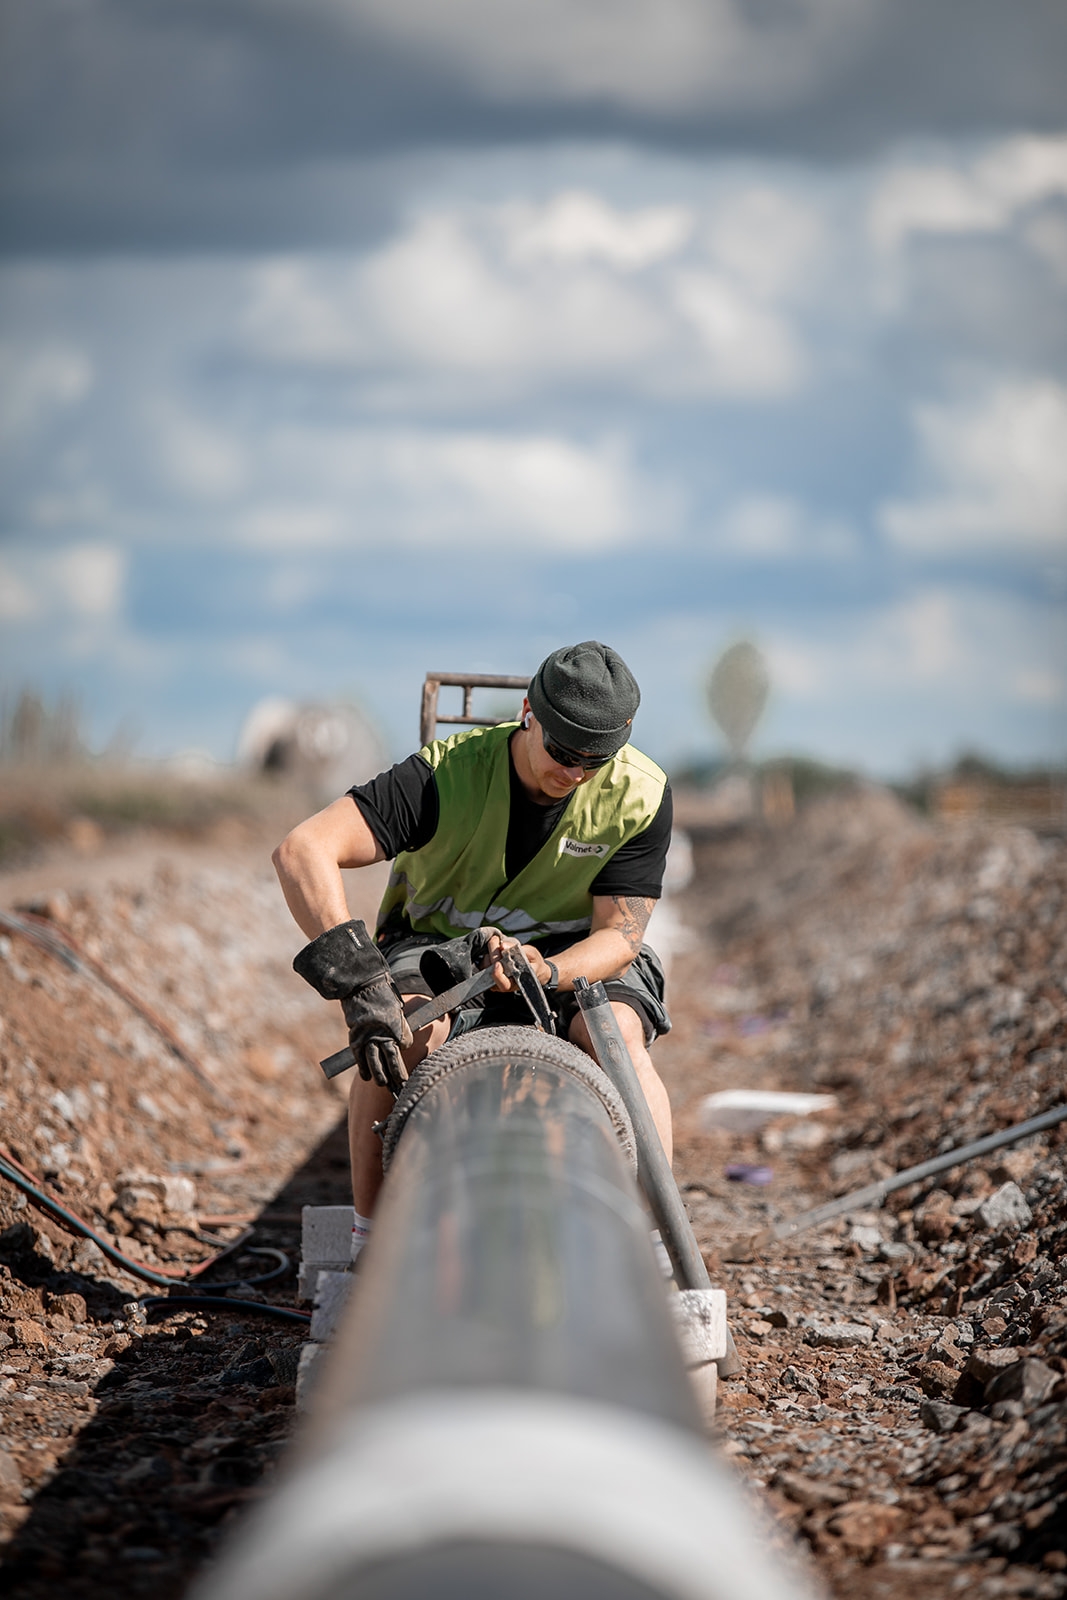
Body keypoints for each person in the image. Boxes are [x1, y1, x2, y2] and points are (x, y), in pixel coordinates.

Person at [272, 641, 674, 1255]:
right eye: (563, 754)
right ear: (526, 714)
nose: (575, 774)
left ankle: (653, 1248)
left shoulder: (638, 795)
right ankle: (370, 1241)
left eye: (595, 762)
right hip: (439, 946)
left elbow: (620, 934)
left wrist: (549, 968)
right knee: (401, 1039)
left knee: (614, 1035)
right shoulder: (445, 775)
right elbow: (303, 850)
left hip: (572, 954)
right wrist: (360, 985)